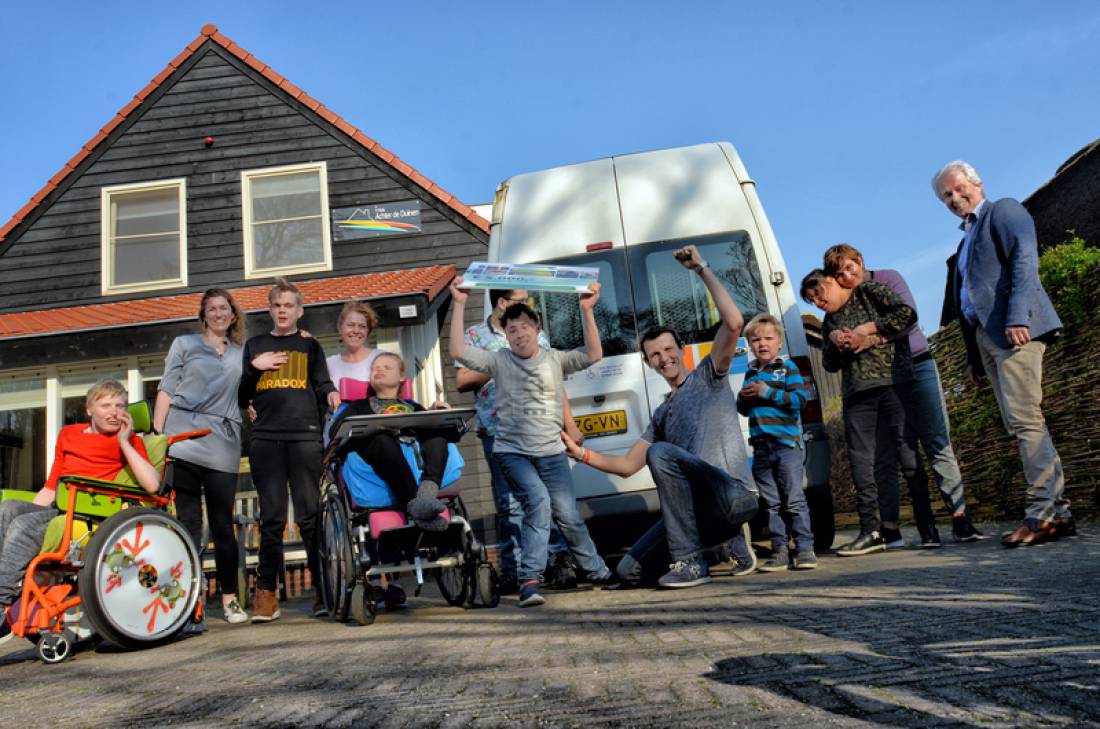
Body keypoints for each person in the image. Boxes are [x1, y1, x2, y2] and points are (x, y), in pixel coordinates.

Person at [560, 244, 759, 589]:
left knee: (660, 452)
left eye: (668, 349)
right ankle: (699, 552)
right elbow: (626, 466)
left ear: (681, 350)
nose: (663, 357)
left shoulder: (708, 377)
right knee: (628, 571)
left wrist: (701, 269)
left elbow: (734, 322)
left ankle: (692, 562)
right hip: (698, 516)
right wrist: (581, 454)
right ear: (648, 362)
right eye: (654, 354)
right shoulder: (662, 413)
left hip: (734, 497)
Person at [449, 277, 616, 608]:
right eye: (512, 330)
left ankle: (598, 571)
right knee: (537, 503)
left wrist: (587, 310)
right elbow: (457, 352)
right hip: (513, 452)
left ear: (536, 328)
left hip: (551, 451)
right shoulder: (498, 361)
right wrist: (457, 303)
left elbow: (594, 353)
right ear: (505, 337)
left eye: (525, 327)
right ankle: (529, 581)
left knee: (567, 513)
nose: (519, 333)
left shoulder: (554, 358)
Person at [933, 160, 1071, 547]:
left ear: (977, 183)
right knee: (1020, 423)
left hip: (1013, 330)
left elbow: (1026, 260)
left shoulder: (1004, 210)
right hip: (987, 339)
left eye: (959, 188)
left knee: (1027, 421)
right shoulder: (964, 242)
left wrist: (1017, 317)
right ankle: (1060, 514)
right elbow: (966, 303)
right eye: (946, 195)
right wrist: (974, 359)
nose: (954, 198)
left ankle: (1041, 514)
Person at [823, 244, 983, 543]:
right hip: (888, 378)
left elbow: (909, 319)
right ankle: (894, 528)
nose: (847, 275)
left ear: (860, 260)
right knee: (893, 452)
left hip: (918, 364)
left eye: (850, 267)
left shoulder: (887, 278)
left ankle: (960, 517)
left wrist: (870, 338)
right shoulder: (845, 305)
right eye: (839, 273)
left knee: (936, 439)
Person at [1, 380, 161, 642]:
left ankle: (1, 605)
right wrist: (29, 512)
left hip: (90, 512)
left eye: (120, 406)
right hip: (61, 505)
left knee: (22, 527)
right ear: (89, 410)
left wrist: (124, 442)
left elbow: (153, 485)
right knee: (9, 510)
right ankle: (8, 591)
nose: (113, 412)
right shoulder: (68, 434)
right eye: (105, 405)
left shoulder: (129, 440)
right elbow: (52, 485)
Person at [800, 269, 938, 555]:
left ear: (830, 281)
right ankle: (874, 531)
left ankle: (928, 527)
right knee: (863, 464)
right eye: (812, 301)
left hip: (893, 382)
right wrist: (837, 343)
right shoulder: (829, 322)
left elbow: (907, 315)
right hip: (856, 394)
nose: (818, 303)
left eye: (818, 294)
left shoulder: (869, 292)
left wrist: (867, 331)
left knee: (908, 455)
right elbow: (828, 364)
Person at [454, 288, 577, 595]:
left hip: (542, 429)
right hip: (499, 433)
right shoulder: (474, 335)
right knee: (511, 504)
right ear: (502, 303)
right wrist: (499, 362)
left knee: (547, 498)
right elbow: (462, 380)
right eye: (521, 300)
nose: (527, 305)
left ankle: (557, 562)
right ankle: (516, 570)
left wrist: (570, 424)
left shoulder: (537, 332)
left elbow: (554, 379)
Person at [239, 277, 341, 623]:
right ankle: (267, 593)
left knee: (310, 516)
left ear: (300, 310)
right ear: (270, 310)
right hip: (266, 439)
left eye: (289, 306)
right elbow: (242, 396)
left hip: (304, 437)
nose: (282, 311)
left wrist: (331, 394)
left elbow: (322, 382)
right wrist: (255, 369)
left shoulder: (310, 347)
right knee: (272, 518)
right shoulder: (254, 345)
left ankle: (323, 589)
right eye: (277, 305)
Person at [329, 351, 459, 609]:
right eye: (375, 367)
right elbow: (336, 433)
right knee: (382, 439)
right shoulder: (356, 407)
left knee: (436, 436)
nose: (378, 370)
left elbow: (446, 432)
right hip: (375, 467)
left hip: (416, 468)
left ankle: (426, 496)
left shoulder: (414, 407)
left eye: (386, 367)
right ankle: (416, 502)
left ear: (402, 376)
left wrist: (439, 414)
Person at [153, 288, 249, 631]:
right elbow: (166, 388)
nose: (219, 313)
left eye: (225, 307)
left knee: (223, 525)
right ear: (203, 315)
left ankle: (228, 597)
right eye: (212, 308)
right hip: (183, 438)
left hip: (222, 441)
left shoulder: (242, 353)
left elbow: (250, 386)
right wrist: (158, 434)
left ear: (233, 315)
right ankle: (188, 601)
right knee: (188, 524)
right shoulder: (184, 344)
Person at [736, 314, 816, 571]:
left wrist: (765, 392)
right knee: (771, 503)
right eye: (756, 339)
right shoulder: (750, 373)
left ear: (779, 342)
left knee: (793, 498)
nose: (762, 344)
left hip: (786, 445)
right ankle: (780, 549)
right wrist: (744, 398)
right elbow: (745, 411)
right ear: (749, 344)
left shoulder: (788, 368)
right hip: (761, 447)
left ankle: (805, 549)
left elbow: (799, 401)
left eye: (768, 338)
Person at [326, 301, 383, 394]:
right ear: (340, 328)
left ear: (368, 332)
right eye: (351, 325)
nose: (356, 331)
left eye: (362, 326)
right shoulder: (330, 364)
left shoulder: (381, 358)